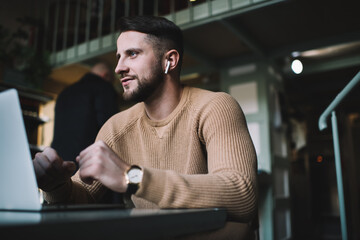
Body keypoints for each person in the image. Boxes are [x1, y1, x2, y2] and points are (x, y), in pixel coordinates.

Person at [34, 16, 258, 239]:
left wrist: (131, 177)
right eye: (119, 57)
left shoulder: (216, 106)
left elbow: (241, 194)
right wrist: (56, 186)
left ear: (169, 60)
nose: (119, 68)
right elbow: (82, 197)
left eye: (132, 54)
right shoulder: (116, 127)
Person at [50, 62, 119, 168]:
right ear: (106, 75)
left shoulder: (65, 92)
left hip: (60, 162)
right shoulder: (104, 88)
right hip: (87, 161)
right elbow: (109, 127)